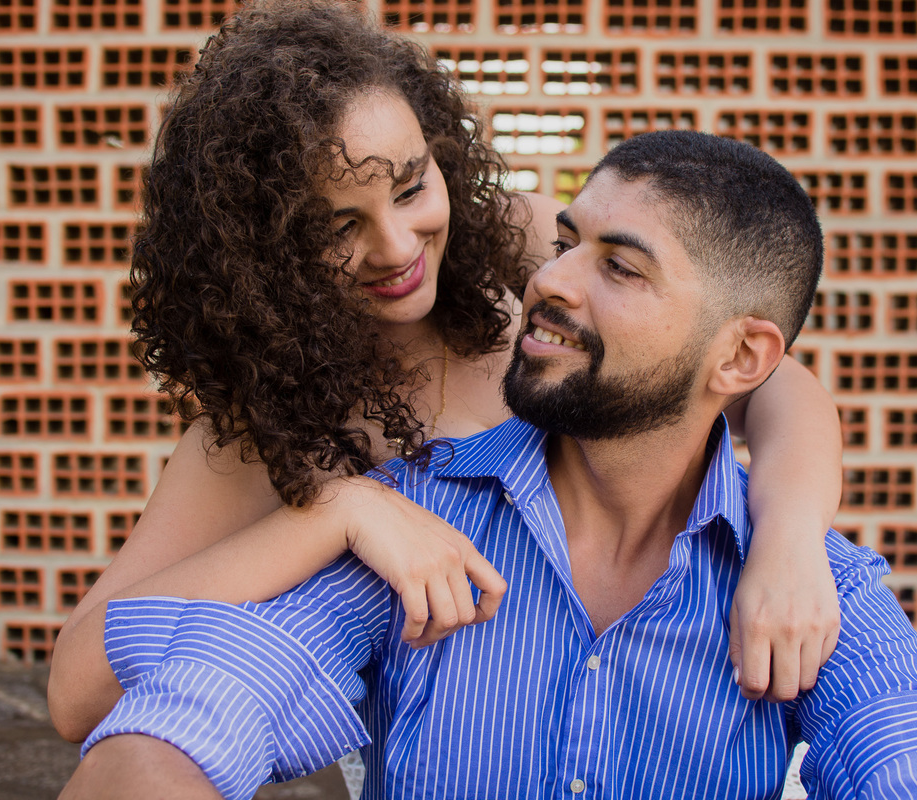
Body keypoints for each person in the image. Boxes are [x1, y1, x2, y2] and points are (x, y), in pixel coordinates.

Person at [59, 130, 917, 799]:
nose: (548, 280)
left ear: (738, 358)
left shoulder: (814, 586)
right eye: (564, 242)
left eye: (619, 264)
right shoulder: (416, 519)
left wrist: (786, 535)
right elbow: (213, 690)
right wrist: (154, 758)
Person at [47, 0, 846, 745]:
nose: (397, 247)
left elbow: (773, 383)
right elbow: (75, 687)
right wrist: (334, 513)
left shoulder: (522, 245)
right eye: (337, 224)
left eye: (410, 185)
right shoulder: (270, 428)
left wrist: (789, 539)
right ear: (262, 251)